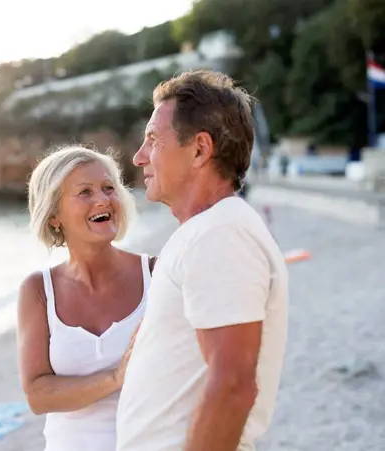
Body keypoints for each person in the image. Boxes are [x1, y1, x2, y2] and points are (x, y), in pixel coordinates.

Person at [116, 70, 289, 451]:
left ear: (199, 149)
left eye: (153, 141)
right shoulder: (208, 232)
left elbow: (232, 386)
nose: (139, 157)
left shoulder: (220, 234)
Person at [17, 146, 156, 451]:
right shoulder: (39, 290)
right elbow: (38, 395)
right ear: (54, 215)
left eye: (109, 188)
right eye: (85, 192)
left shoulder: (156, 275)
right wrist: (115, 378)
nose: (103, 200)